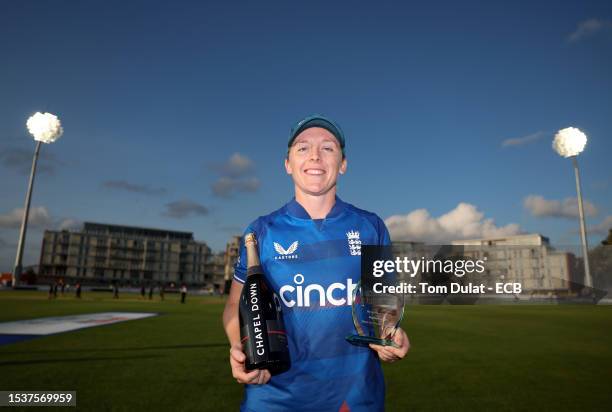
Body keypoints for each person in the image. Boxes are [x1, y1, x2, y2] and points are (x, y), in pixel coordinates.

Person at [222, 115, 410, 412]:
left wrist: (390, 334)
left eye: (328, 148)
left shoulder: (371, 227)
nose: (314, 155)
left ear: (343, 164)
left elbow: (383, 305)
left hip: (355, 398)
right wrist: (240, 346)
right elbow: (235, 306)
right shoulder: (260, 231)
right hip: (273, 398)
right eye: (302, 148)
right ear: (287, 164)